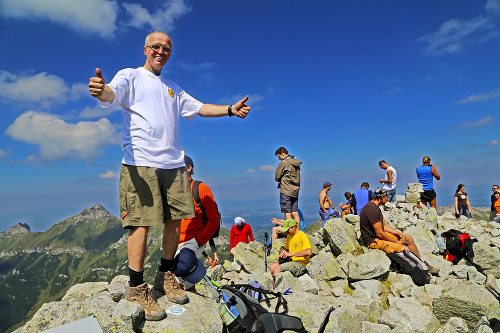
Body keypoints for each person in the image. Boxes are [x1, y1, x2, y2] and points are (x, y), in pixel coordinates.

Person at [88, 31, 250, 320]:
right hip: (140, 163)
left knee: (175, 221)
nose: (161, 51)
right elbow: (111, 93)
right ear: (146, 49)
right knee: (141, 224)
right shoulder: (131, 76)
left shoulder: (172, 88)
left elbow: (200, 108)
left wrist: (229, 109)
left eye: (166, 48)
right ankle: (136, 287)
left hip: (173, 165)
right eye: (156, 47)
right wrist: (101, 90)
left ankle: (165, 275)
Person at [359, 188, 439, 275]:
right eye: (386, 197)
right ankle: (419, 271)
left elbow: (384, 226)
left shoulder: (375, 207)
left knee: (408, 238)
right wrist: (395, 242)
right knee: (404, 248)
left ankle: (422, 264)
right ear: (382, 197)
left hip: (378, 236)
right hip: (372, 241)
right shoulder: (372, 210)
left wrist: (398, 233)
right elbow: (379, 233)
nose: (387, 199)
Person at [174, 155, 220, 293]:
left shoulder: (200, 188)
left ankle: (195, 308)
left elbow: (214, 220)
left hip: (192, 240)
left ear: (189, 168)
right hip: (175, 241)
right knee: (179, 281)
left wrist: (199, 241)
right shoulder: (174, 190)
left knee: (184, 274)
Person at [270, 219, 312, 290]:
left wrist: (292, 254)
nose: (286, 231)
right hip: (291, 261)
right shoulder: (290, 235)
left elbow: (309, 252)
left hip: (300, 263)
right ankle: (276, 285)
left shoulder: (302, 236)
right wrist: (282, 253)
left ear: (294, 227)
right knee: (272, 267)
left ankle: (273, 290)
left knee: (277, 268)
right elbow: (286, 249)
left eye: (287, 229)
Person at [274, 147, 302, 225]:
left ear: (282, 154)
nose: (279, 159)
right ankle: (297, 232)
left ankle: (291, 234)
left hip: (286, 189)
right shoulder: (296, 162)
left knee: (287, 213)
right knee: (295, 213)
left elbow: (277, 177)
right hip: (295, 190)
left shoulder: (284, 163)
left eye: (279, 156)